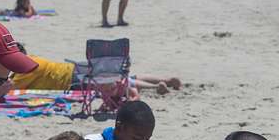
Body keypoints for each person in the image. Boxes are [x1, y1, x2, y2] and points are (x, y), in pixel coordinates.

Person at [10, 52, 181, 97]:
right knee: (129, 77)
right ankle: (164, 80)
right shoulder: (34, 59)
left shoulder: (24, 68)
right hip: (75, 69)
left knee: (121, 82)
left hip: (72, 81)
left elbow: (10, 89)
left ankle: (155, 87)